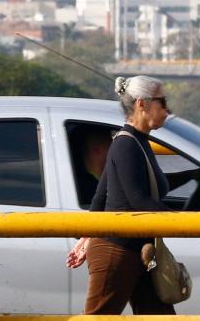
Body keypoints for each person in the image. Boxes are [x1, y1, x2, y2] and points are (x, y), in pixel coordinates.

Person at [65, 75, 176, 315]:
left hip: (139, 252)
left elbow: (101, 196)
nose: (168, 110)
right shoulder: (126, 144)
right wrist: (189, 223)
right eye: (162, 102)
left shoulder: (137, 142)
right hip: (117, 252)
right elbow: (139, 202)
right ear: (141, 104)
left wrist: (86, 236)